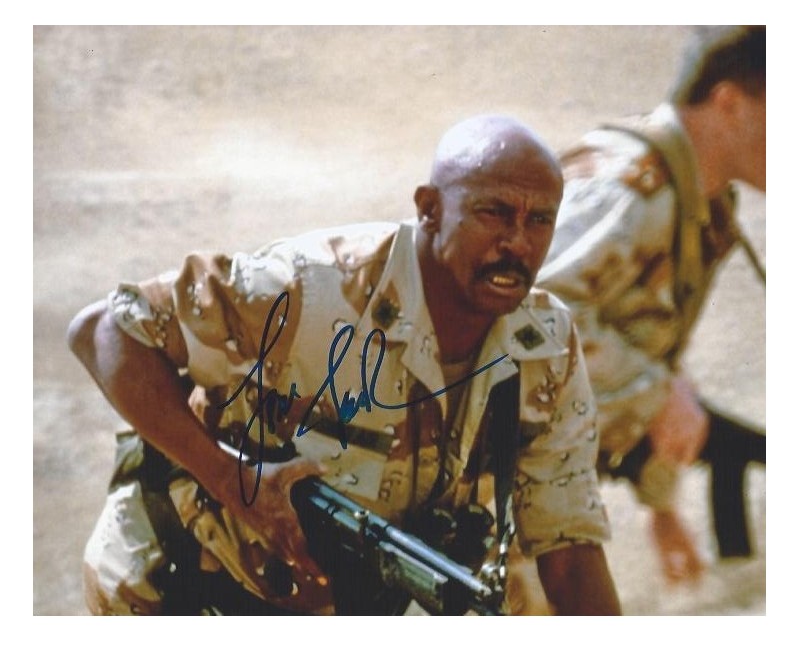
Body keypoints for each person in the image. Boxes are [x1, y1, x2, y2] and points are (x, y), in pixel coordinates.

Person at [67, 113, 621, 616]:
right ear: (430, 209)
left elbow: (570, 553)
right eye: (493, 213)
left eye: (540, 220)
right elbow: (106, 329)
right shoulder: (313, 290)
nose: (517, 243)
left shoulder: (544, 347)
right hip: (172, 585)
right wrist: (231, 481)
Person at [536, 26, 766, 583]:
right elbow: (530, 313)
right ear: (729, 103)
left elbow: (639, 336)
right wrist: (659, 395)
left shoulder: (699, 200)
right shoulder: (629, 190)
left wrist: (659, 501)